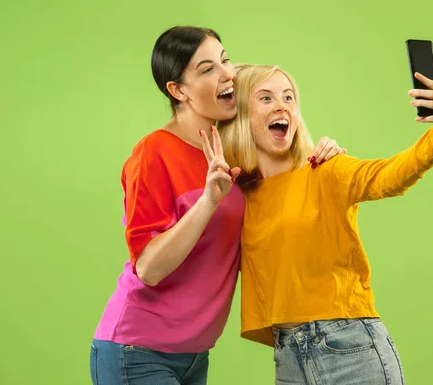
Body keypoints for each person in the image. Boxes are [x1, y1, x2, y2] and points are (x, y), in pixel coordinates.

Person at [90, 27, 344, 385]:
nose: (227, 73)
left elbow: (283, 201)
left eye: (225, 60)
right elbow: (147, 267)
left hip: (195, 356)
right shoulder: (153, 153)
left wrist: (323, 155)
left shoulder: (236, 152)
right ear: (178, 91)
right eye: (207, 69)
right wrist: (208, 201)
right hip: (137, 351)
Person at [215, 63, 433, 384]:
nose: (281, 106)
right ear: (240, 115)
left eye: (289, 97)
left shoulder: (325, 171)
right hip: (288, 355)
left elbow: (390, 177)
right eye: (265, 98)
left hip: (348, 346)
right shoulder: (238, 195)